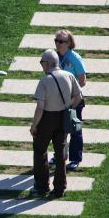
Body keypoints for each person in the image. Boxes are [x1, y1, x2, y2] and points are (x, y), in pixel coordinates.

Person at [29, 49, 83, 198]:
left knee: (40, 152)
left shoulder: (44, 80)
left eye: (42, 62)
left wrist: (34, 126)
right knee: (61, 155)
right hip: (63, 118)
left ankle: (41, 187)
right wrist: (68, 107)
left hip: (47, 119)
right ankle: (59, 188)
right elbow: (78, 96)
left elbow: (40, 107)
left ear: (47, 63)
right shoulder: (69, 76)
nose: (41, 65)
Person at [53, 29, 87, 170]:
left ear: (69, 43)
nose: (58, 44)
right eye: (57, 41)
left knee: (74, 130)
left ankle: (75, 159)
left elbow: (83, 81)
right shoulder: (54, 57)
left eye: (62, 41)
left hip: (74, 100)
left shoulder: (74, 58)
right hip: (58, 100)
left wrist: (71, 95)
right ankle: (59, 155)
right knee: (58, 130)